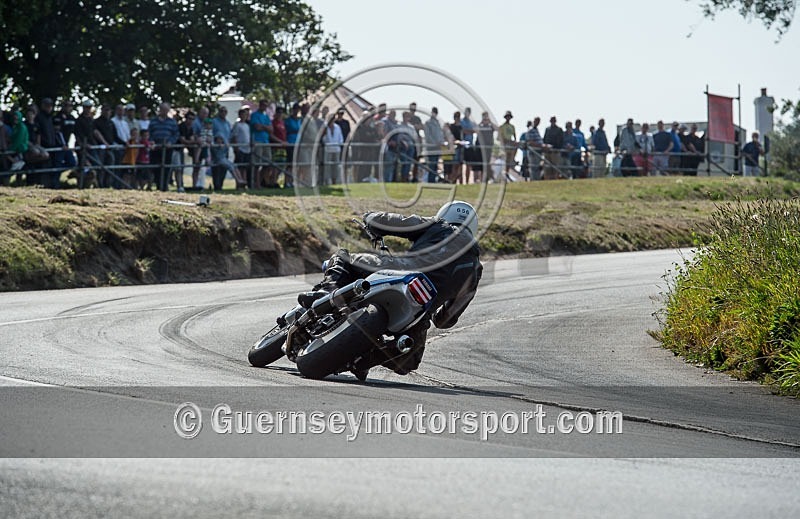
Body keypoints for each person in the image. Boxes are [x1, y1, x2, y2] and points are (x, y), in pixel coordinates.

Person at [299, 201, 482, 379]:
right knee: (407, 361)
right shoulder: (476, 267)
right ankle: (363, 359)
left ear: (445, 215)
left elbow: (394, 221)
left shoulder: (439, 225)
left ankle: (326, 292)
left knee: (343, 257)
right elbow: (446, 320)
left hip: (402, 272)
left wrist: (370, 218)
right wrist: (435, 312)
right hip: (420, 311)